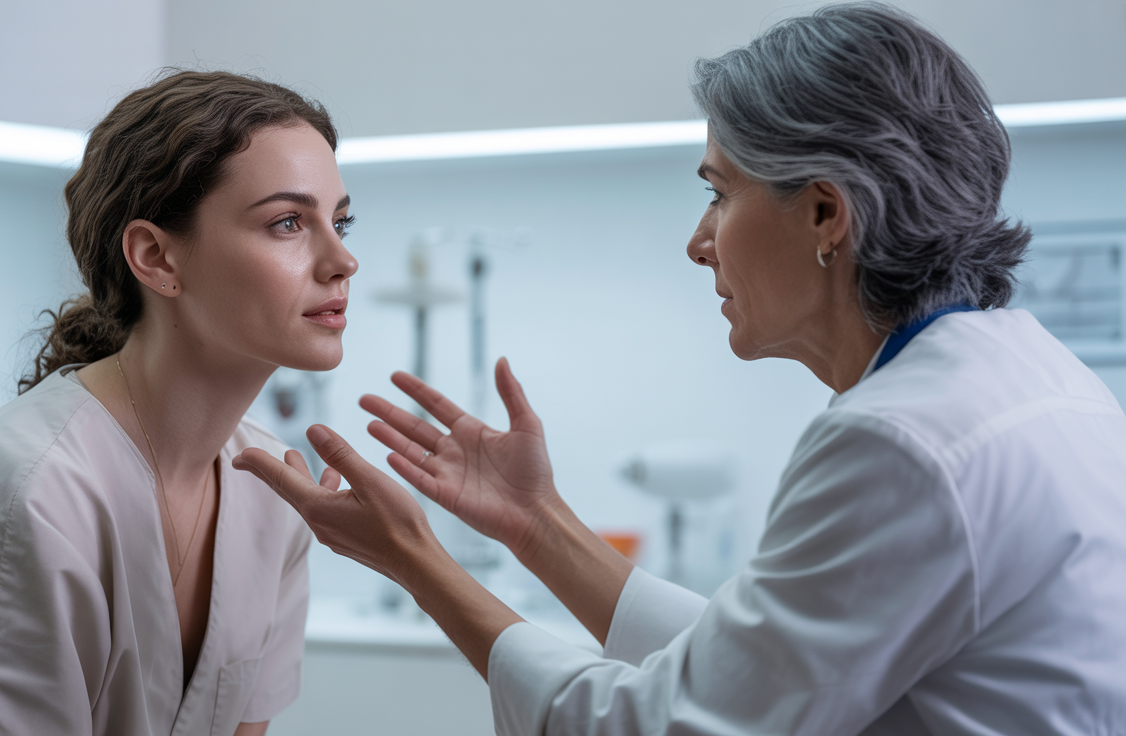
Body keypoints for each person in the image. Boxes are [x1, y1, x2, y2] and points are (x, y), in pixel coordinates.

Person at [235, 4, 1126, 734]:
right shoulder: (1033, 379)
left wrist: (419, 561)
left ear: (825, 214)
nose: (699, 242)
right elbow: (762, 668)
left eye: (719, 191)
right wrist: (537, 526)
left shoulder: (902, 443)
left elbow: (669, 727)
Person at [0, 70, 357, 736]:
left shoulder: (275, 493)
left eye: (342, 221)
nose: (342, 259)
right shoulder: (31, 493)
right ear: (156, 257)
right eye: (289, 222)